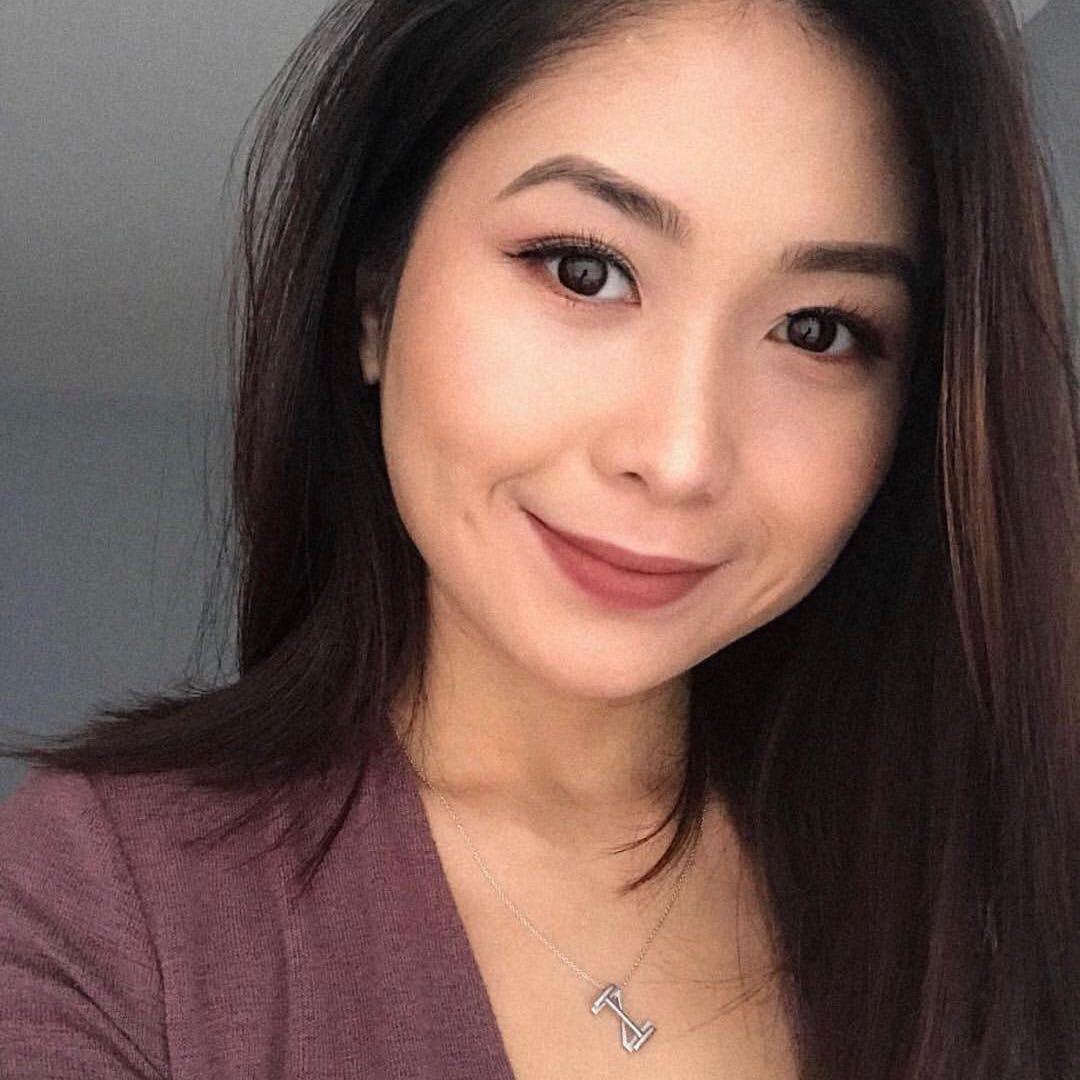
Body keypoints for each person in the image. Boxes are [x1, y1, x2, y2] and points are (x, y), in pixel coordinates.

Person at [1, 0, 1077, 1077]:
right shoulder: (110, 905)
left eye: (817, 329)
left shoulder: (1000, 910)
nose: (680, 456)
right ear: (373, 295)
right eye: (583, 270)